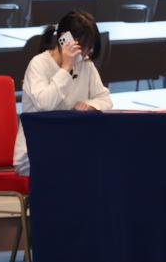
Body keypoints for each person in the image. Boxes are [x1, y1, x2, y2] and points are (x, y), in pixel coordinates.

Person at [13, 10, 112, 176]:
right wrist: (66, 67)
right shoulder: (38, 64)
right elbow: (45, 105)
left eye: (89, 48)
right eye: (82, 47)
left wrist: (90, 105)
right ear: (64, 40)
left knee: (103, 164)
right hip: (34, 152)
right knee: (86, 170)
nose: (85, 54)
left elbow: (105, 99)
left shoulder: (86, 65)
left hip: (68, 146)